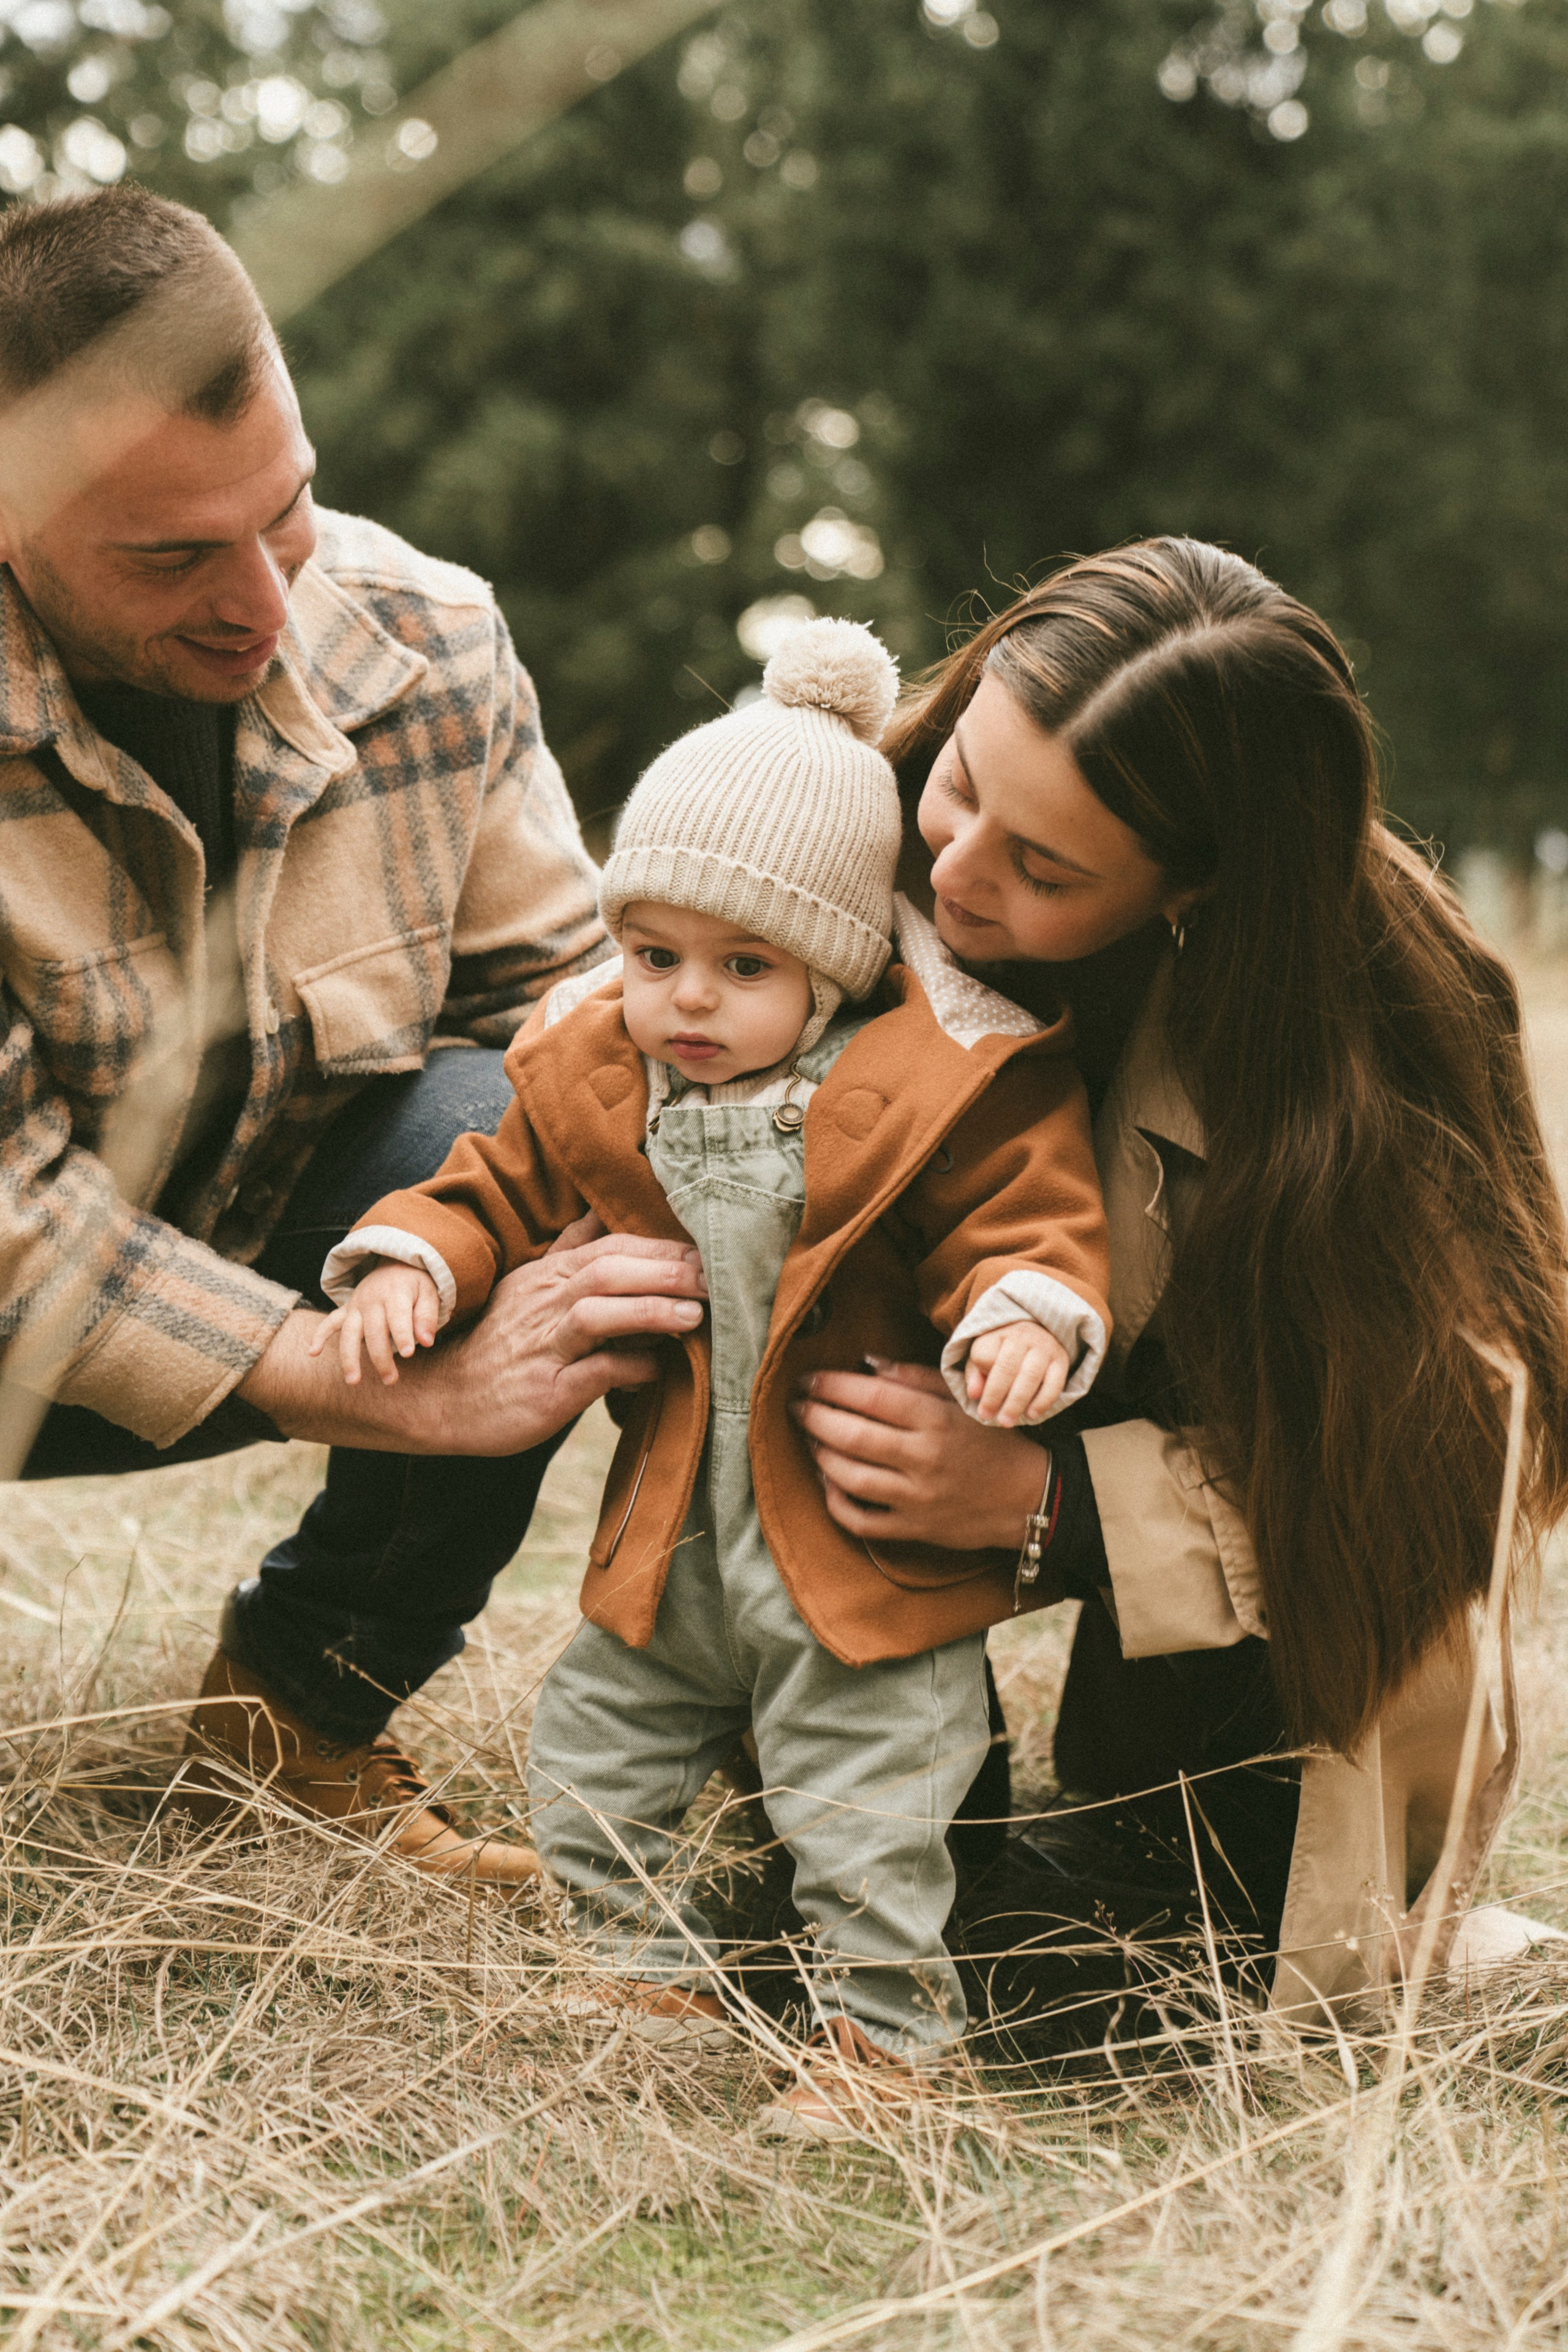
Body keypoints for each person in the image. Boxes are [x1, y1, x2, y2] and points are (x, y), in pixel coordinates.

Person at [314, 618, 1112, 2132]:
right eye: (652, 954)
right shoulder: (601, 1070)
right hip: (674, 1541)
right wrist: (415, 1254)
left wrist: (1018, 1312)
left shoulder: (934, 1088)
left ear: (835, 968)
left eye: (743, 966)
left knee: (870, 1805)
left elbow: (1025, 1212)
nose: (686, 1000)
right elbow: (493, 1181)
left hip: (850, 1552)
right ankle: (634, 1978)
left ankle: (885, 2046)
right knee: (591, 1753)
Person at [0, 184, 706, 1884]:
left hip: (302, 1260)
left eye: (286, 510)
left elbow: (571, 1024)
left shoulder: (429, 636)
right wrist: (350, 1378)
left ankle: (299, 1710)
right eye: (172, 554)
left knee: (575, 1155)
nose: (261, 600)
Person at [790, 539, 1568, 2022]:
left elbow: (1451, 1470)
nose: (951, 873)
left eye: (1045, 869)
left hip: (1269, 1580)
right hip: (883, 1471)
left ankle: (1406, 1945)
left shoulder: (1381, 1036)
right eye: (961, 787)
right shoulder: (827, 836)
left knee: (1115, 1986)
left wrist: (1048, 1505)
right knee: (783, 1927)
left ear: (1191, 888)